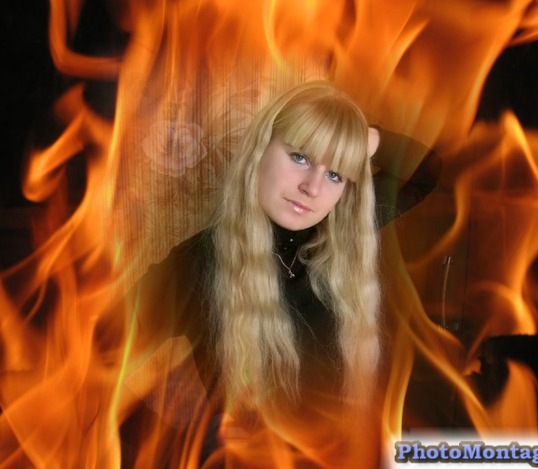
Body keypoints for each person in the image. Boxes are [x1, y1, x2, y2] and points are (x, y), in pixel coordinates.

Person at [119, 80, 440, 467]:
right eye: (300, 157)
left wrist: (358, 137)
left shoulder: (340, 241)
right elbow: (93, 346)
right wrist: (186, 435)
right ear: (261, 149)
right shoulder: (196, 263)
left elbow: (428, 171)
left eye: (336, 174)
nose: (313, 188)